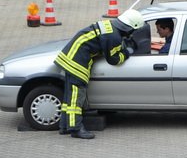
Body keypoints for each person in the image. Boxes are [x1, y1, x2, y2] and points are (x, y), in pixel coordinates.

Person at [54, 9, 142, 139]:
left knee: (69, 97)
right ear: (130, 28)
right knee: (76, 98)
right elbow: (114, 60)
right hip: (77, 62)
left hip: (70, 56)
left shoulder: (110, 27)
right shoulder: (114, 37)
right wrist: (127, 52)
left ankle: (64, 126)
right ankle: (76, 129)